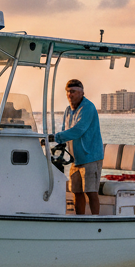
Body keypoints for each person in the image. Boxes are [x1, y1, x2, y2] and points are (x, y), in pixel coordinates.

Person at [54, 78, 103, 215]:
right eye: (68, 92)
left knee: (91, 191)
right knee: (76, 191)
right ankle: (80, 219)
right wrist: (57, 142)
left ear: (82, 93)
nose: (70, 95)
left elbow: (78, 130)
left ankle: (95, 220)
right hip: (76, 159)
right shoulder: (68, 110)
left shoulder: (88, 107)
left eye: (74, 92)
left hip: (90, 156)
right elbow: (65, 129)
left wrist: (56, 136)